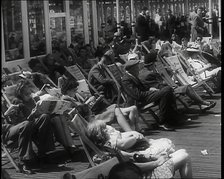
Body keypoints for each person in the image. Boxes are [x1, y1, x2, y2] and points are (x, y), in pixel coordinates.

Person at [88, 119, 193, 179]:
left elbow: (130, 156)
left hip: (142, 169)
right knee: (185, 156)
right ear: (103, 133)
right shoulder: (105, 155)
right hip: (143, 174)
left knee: (182, 152)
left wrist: (152, 156)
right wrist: (157, 162)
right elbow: (131, 168)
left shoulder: (108, 148)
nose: (110, 126)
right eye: (106, 126)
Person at [121, 58, 191, 131]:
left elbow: (142, 88)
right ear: (132, 69)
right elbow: (136, 95)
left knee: (167, 93)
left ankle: (170, 119)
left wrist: (150, 88)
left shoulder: (132, 76)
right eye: (137, 67)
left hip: (144, 97)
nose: (138, 69)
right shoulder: (126, 80)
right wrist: (150, 92)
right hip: (137, 102)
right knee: (167, 90)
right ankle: (165, 121)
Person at [14, 80, 79, 158]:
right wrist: (33, 114)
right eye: (26, 94)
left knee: (59, 117)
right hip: (32, 124)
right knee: (48, 117)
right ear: (20, 94)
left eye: (30, 93)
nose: (29, 95)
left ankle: (70, 145)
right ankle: (68, 147)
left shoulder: (32, 99)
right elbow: (21, 122)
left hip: (42, 120)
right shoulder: (18, 102)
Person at [138, 50, 216, 111]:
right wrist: (171, 86)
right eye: (156, 62)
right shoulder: (149, 74)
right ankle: (203, 103)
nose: (157, 64)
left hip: (162, 90)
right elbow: (158, 85)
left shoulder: (144, 72)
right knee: (187, 87)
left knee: (185, 87)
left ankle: (202, 104)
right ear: (152, 64)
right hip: (161, 92)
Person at [59, 76, 142, 132]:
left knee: (115, 107)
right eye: (74, 90)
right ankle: (130, 131)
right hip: (90, 120)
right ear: (68, 90)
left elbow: (80, 107)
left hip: (91, 116)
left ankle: (131, 130)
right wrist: (88, 103)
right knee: (115, 109)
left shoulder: (71, 97)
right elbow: (79, 110)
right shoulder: (66, 99)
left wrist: (91, 101)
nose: (76, 91)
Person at [2, 104, 55, 174]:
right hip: (5, 132)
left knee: (44, 117)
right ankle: (24, 162)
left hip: (18, 125)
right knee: (25, 125)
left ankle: (43, 153)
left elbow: (25, 119)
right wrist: (6, 115)